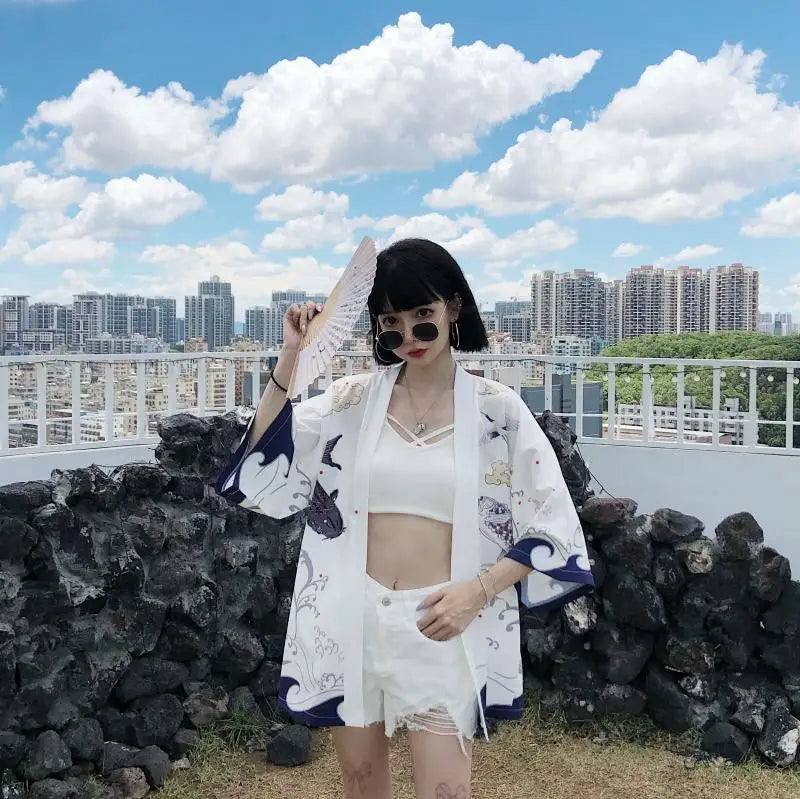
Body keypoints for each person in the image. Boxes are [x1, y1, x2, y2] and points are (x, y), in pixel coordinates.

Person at [215, 238, 594, 799]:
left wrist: (477, 592)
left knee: (445, 789)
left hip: (442, 619)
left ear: (453, 308)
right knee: (361, 782)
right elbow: (268, 454)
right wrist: (290, 358)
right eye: (391, 322)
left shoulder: (497, 411)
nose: (410, 335)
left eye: (423, 315)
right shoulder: (351, 400)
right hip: (353, 617)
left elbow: (551, 521)